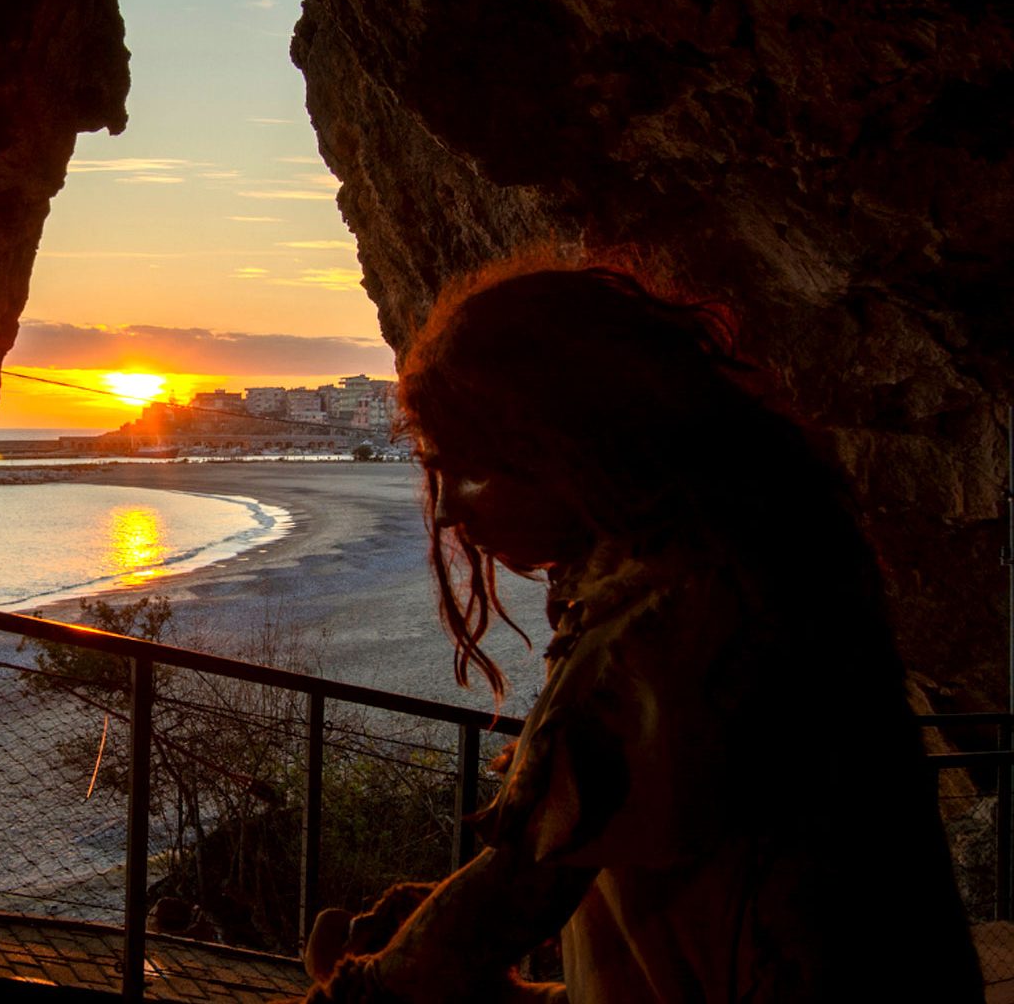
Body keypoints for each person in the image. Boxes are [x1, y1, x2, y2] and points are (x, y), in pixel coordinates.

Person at [303, 267, 980, 1002]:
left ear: (569, 446)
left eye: (469, 471)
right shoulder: (755, 562)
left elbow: (521, 888)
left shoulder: (673, 617)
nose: (447, 514)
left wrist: (362, 990)